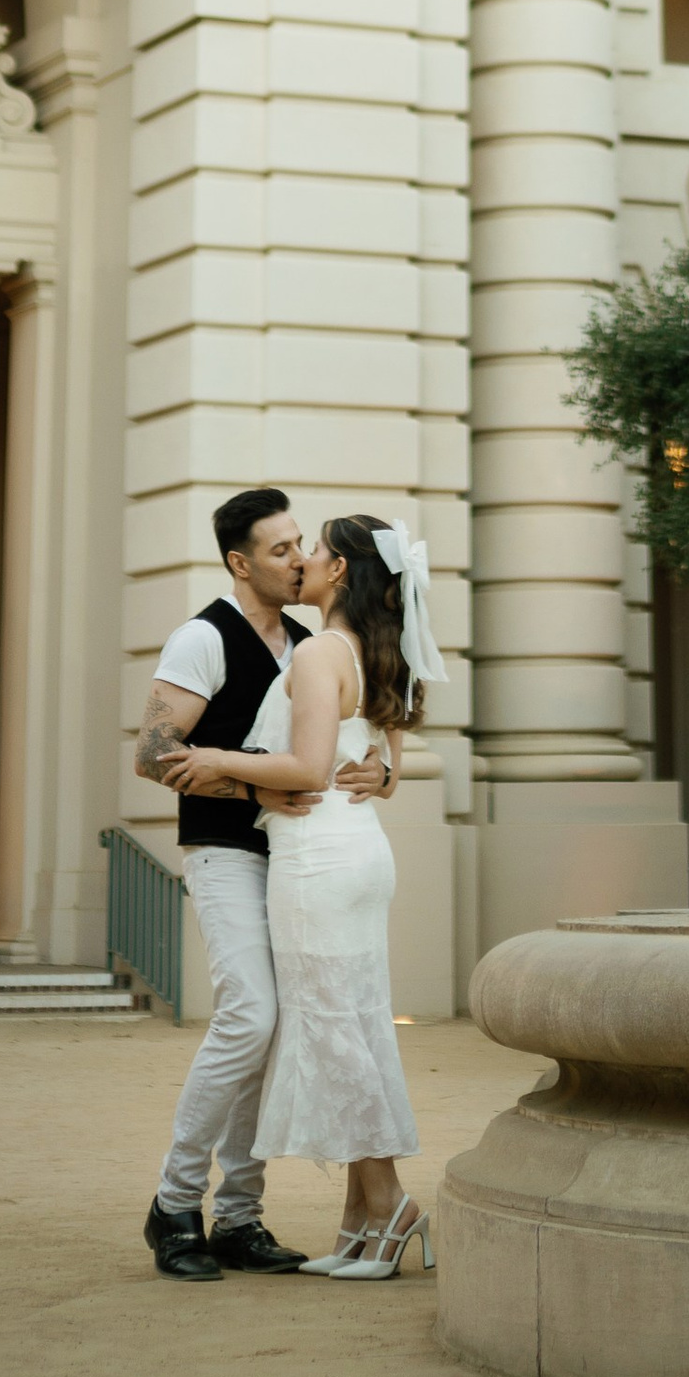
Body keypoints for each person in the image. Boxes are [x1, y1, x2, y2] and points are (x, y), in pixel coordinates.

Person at [161, 513, 443, 1279]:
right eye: (282, 548)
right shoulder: (212, 638)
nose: (297, 560)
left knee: (328, 1027)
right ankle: (355, 1218)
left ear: (340, 572)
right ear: (240, 562)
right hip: (271, 852)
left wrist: (238, 761)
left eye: (307, 547)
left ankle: (375, 1206)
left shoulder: (314, 645)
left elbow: (320, 764)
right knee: (314, 1021)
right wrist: (366, 771)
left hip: (317, 858)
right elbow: (157, 749)